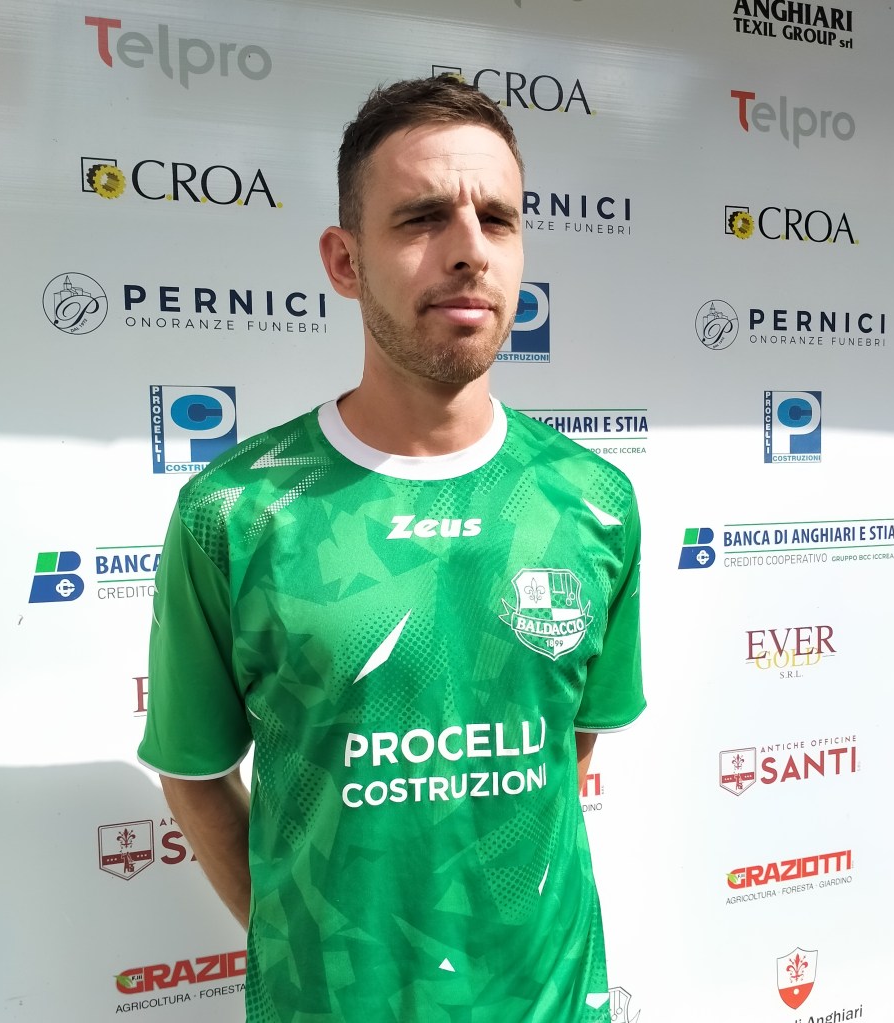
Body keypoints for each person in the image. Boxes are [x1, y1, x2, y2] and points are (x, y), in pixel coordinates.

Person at [139, 75, 644, 1023]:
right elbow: (195, 775)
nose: (469, 249)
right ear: (344, 260)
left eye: (498, 220)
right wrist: (308, 947)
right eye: (421, 218)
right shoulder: (236, 509)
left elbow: (562, 754)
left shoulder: (592, 501)